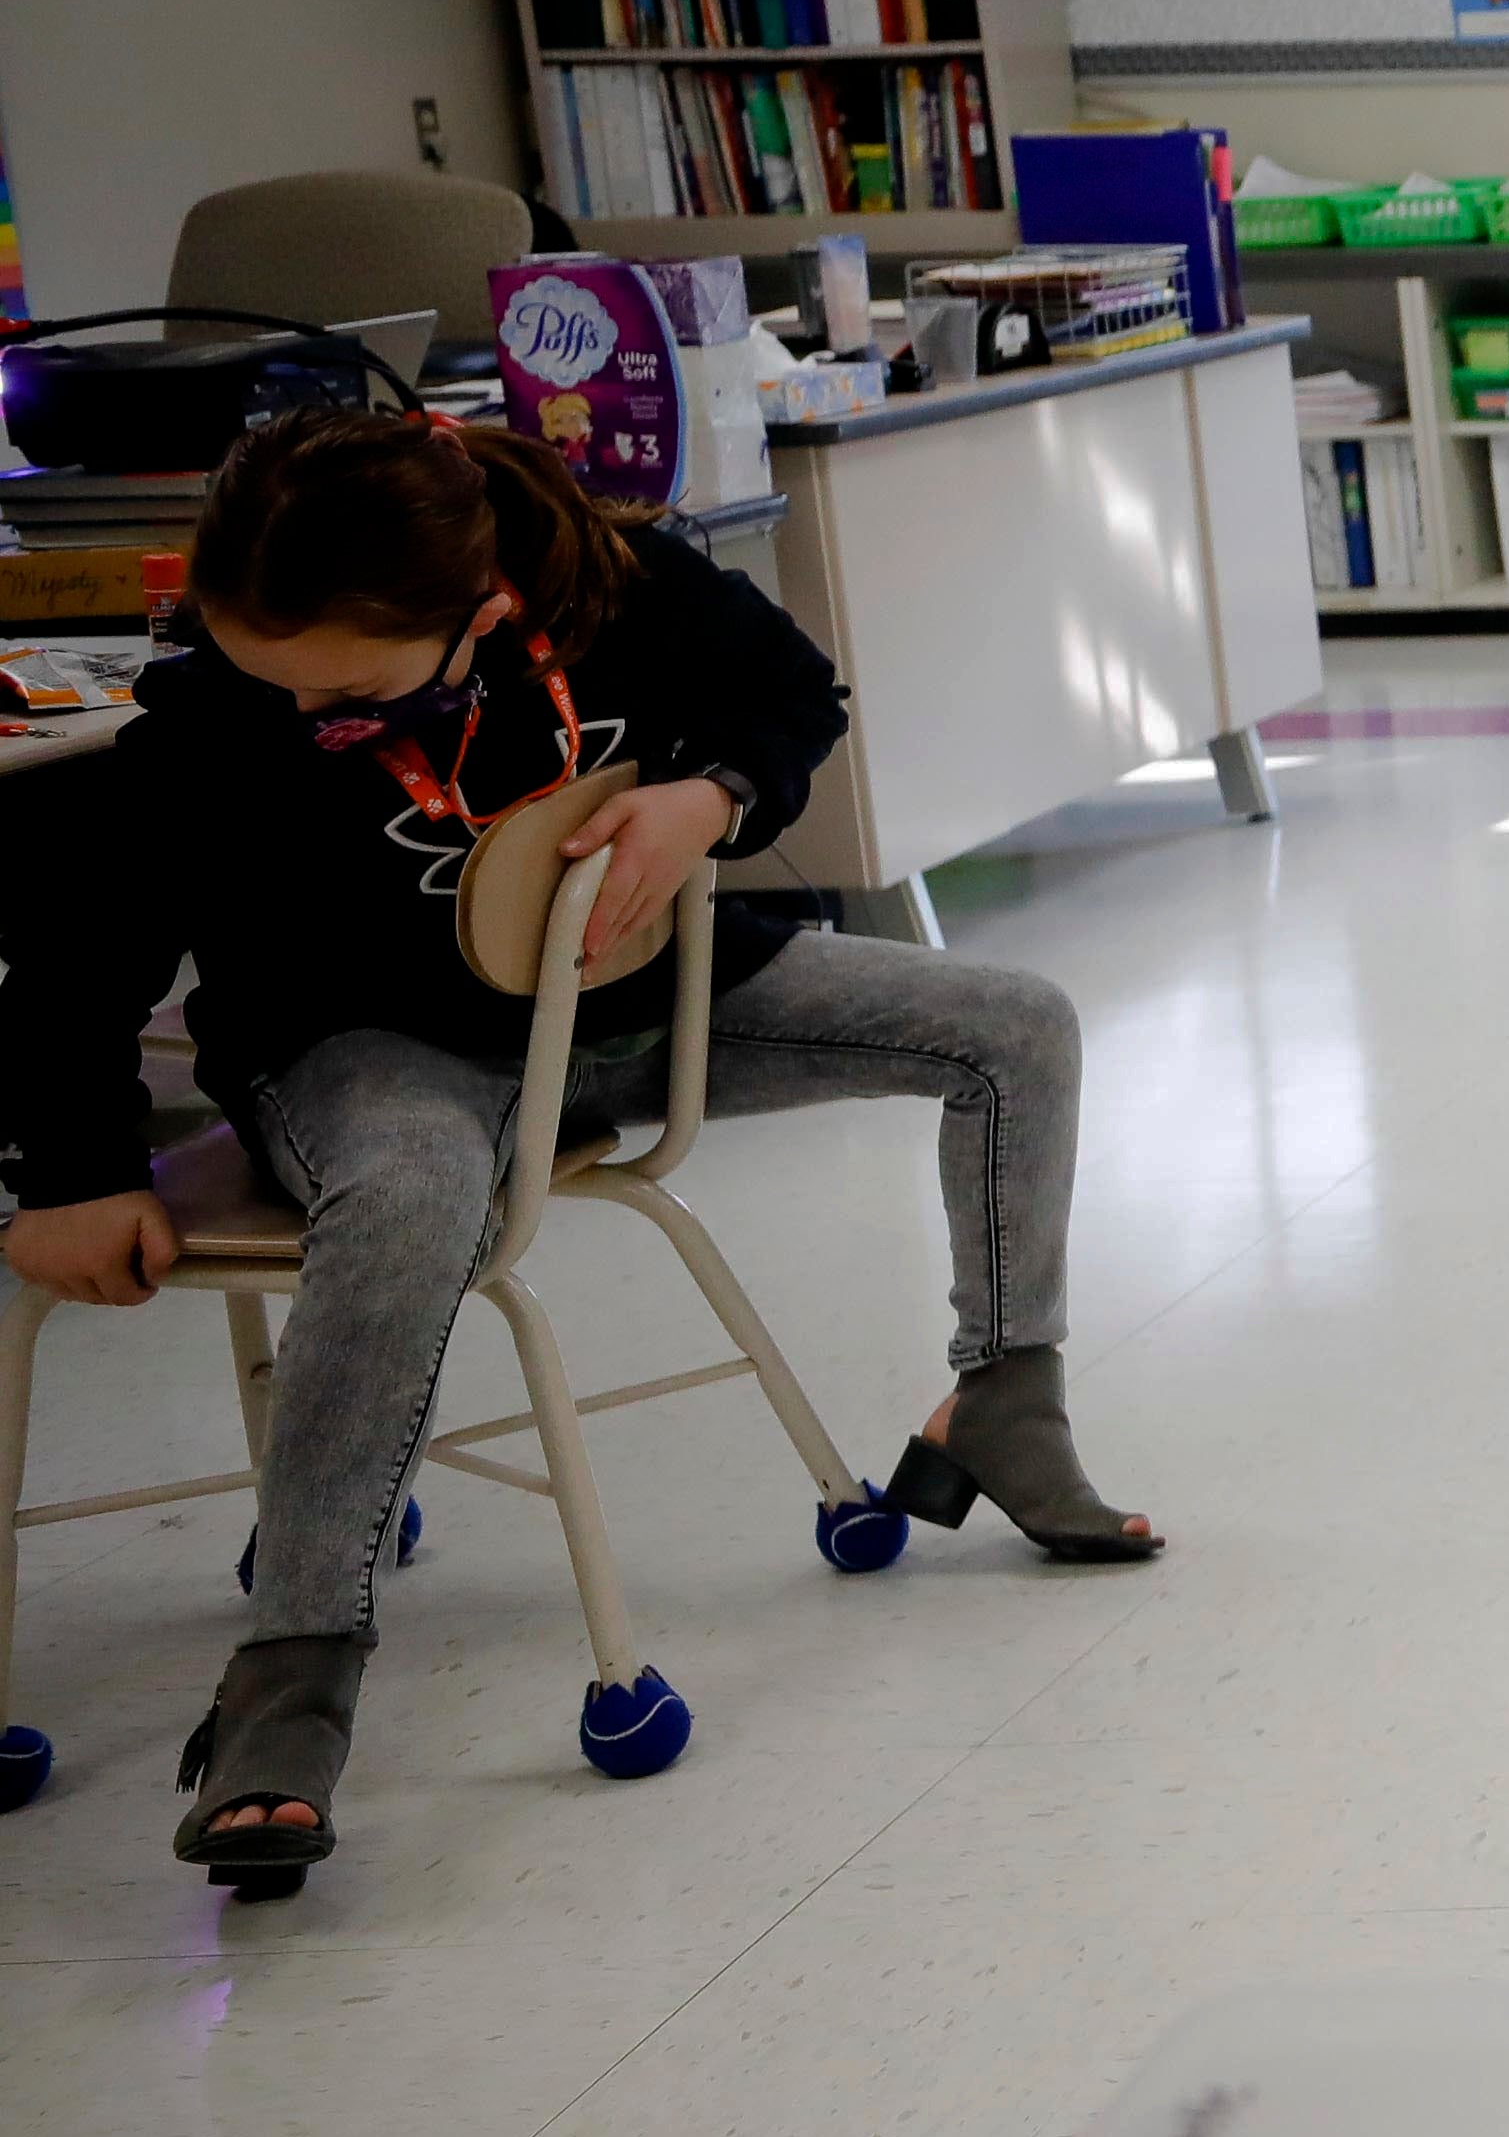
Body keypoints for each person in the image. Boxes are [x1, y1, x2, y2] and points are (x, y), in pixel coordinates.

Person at [0, 408, 1154, 1900]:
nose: (300, 713)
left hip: (636, 1004)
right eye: (262, 673)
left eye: (344, 694)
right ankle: (289, 1677)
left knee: (1019, 1027)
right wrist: (78, 1174)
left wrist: (710, 797)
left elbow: (793, 696)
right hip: (370, 1047)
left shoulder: (619, 588)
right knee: (409, 1198)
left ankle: (1006, 1400)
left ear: (480, 616)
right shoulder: (221, 715)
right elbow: (79, 952)